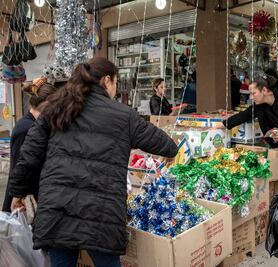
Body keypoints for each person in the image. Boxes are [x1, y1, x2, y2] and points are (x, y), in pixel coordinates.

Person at [8, 57, 178, 267]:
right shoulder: (123, 115)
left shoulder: (55, 109)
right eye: (115, 82)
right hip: (101, 213)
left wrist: (17, 192)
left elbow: (29, 155)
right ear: (107, 80)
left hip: (57, 208)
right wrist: (171, 151)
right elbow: (164, 144)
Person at [1, 77, 58, 212]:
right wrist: (17, 195)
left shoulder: (31, 124)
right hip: (24, 198)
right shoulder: (27, 128)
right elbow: (19, 166)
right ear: (47, 105)